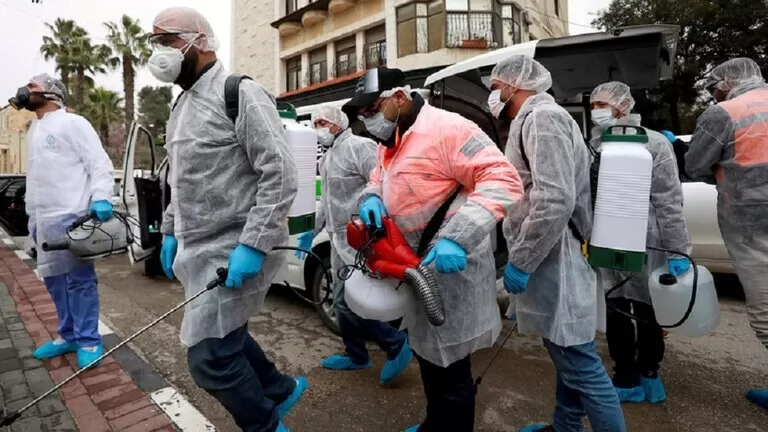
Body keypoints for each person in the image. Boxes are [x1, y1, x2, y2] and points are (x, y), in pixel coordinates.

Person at [148, 7, 307, 431]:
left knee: (210, 357)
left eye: (165, 40)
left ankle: (265, 424)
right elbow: (181, 179)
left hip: (237, 247)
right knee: (227, 336)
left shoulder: (239, 92)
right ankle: (278, 389)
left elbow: (280, 173)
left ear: (198, 41)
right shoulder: (181, 105)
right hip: (197, 251)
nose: (157, 52)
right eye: (154, 42)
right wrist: (169, 232)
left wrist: (253, 245)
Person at [343, 66, 524, 432]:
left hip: (451, 275)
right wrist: (371, 197)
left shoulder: (448, 129)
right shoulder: (394, 138)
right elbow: (379, 177)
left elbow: (503, 178)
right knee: (428, 359)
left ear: (398, 97)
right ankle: (434, 423)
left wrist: (459, 236)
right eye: (362, 113)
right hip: (414, 270)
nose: (368, 118)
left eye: (371, 108)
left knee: (453, 371)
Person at [491, 55, 626, 432]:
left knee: (579, 361)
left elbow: (554, 199)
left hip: (557, 256)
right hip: (554, 253)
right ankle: (566, 426)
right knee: (567, 353)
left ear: (515, 85)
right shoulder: (533, 120)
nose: (494, 94)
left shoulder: (543, 119)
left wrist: (522, 260)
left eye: (496, 87)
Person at [590, 81, 691, 404]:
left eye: (602, 105)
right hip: (607, 237)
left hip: (650, 239)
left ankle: (650, 371)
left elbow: (669, 200)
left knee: (649, 310)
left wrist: (678, 250)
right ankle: (625, 376)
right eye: (593, 106)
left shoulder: (655, 143)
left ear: (623, 105)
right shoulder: (594, 144)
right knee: (616, 306)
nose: (596, 112)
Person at [295, 106, 412, 382]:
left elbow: (382, 184)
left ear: (337, 123)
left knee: (353, 301)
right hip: (338, 242)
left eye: (322, 122)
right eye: (315, 124)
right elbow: (326, 202)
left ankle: (395, 344)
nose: (318, 129)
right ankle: (356, 355)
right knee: (340, 299)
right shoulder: (327, 158)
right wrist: (312, 231)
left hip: (363, 240)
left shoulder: (359, 147)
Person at [12, 73, 115, 370]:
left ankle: (88, 340)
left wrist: (101, 196)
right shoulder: (35, 129)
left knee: (80, 282)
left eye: (33, 86)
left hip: (72, 217)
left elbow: (98, 163)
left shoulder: (74, 123)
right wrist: (31, 216)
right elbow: (35, 176)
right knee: (54, 281)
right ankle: (68, 334)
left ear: (52, 93)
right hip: (43, 219)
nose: (26, 90)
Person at [685, 57, 768, 411]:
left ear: (726, 83)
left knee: (766, 311)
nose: (713, 94)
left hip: (754, 228)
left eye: (713, 88)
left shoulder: (724, 113)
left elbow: (695, 166)